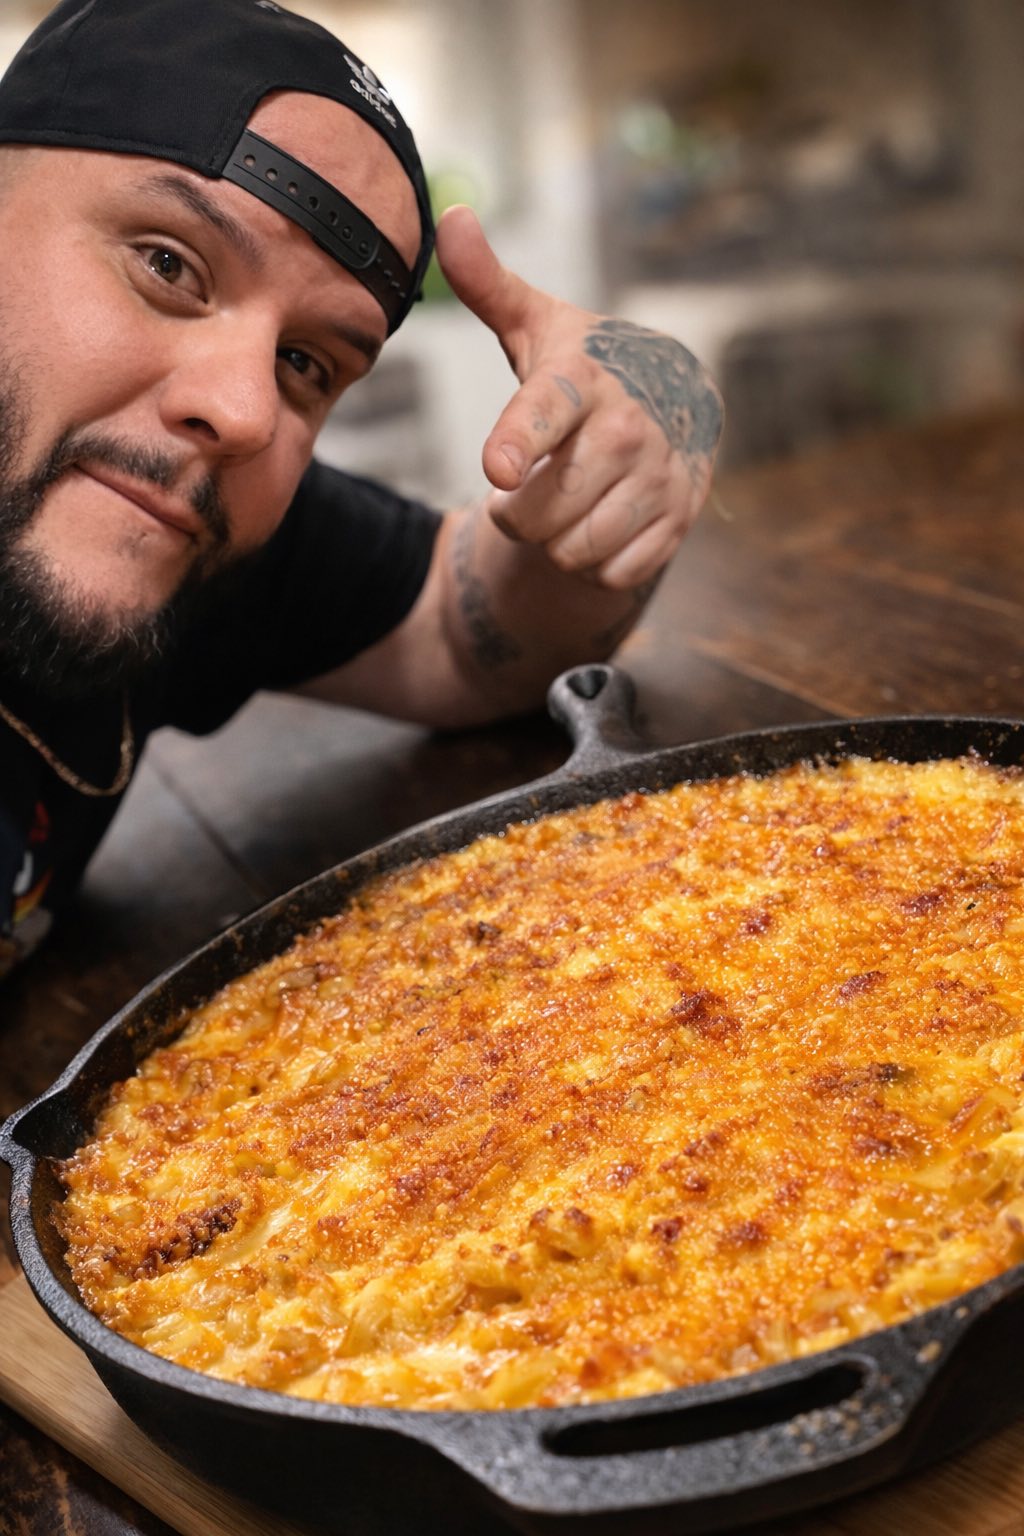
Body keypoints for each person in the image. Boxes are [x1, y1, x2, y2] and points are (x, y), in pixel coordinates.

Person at [0, 0, 723, 976]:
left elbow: (466, 636)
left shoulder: (171, 525)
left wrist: (647, 410)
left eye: (305, 362)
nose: (245, 412)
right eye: (167, 264)